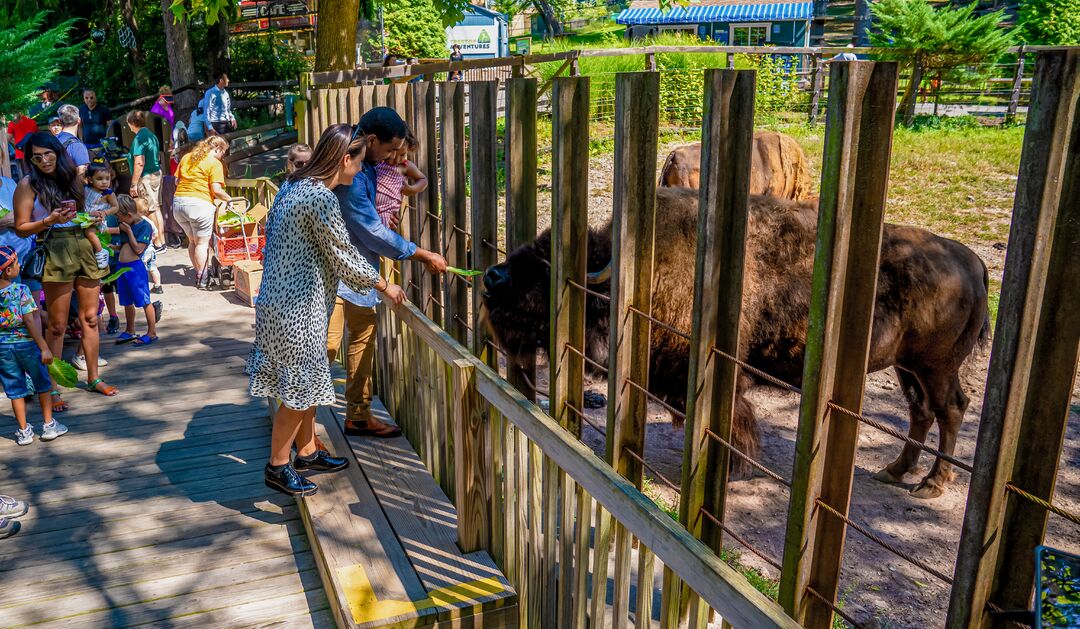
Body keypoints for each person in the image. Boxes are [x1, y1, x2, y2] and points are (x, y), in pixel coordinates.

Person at [246, 123, 405, 497]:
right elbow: (345, 255)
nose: (359, 171)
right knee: (298, 392)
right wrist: (385, 285)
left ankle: (307, 450)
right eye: (358, 163)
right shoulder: (321, 198)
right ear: (345, 159)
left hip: (278, 303)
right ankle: (278, 466)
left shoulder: (294, 186)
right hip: (297, 309)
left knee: (301, 386)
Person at [330, 107, 446, 438]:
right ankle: (302, 431)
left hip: (363, 271)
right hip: (336, 275)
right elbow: (371, 231)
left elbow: (376, 219)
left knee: (362, 344)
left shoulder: (370, 166)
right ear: (371, 140)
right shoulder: (350, 170)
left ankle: (358, 415)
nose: (394, 157)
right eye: (391, 149)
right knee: (324, 349)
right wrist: (421, 254)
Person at [13, 132, 117, 404]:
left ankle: (93, 378)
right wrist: (48, 220)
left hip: (83, 243)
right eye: (37, 156)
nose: (44, 160)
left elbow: (84, 215)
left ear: (57, 152)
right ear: (31, 159)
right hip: (54, 247)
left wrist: (93, 216)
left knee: (91, 318)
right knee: (58, 325)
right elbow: (22, 228)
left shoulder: (73, 178)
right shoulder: (27, 184)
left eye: (48, 154)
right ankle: (53, 386)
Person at [0, 246, 64, 446]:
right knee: (42, 384)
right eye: (16, 263)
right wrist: (44, 347)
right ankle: (48, 425)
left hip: (3, 349)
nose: (19, 265)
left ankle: (24, 430)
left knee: (15, 389)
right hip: (27, 345)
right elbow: (29, 321)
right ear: (8, 270)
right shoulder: (21, 290)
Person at [173, 135, 231, 288]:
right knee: (202, 244)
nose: (222, 156)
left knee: (193, 241)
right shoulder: (214, 163)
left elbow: (177, 181)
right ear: (217, 148)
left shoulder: (187, 157)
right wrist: (230, 199)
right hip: (199, 205)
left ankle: (199, 273)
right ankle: (203, 279)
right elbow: (216, 190)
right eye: (223, 152)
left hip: (179, 204)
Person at [111, 195, 158, 346]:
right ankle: (130, 329)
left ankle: (152, 332)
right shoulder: (126, 224)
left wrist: (129, 231)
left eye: (120, 217)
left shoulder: (144, 226)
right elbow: (124, 245)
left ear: (129, 215)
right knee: (126, 300)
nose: (119, 221)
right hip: (121, 268)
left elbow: (138, 249)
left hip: (135, 268)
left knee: (144, 300)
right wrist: (112, 248)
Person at [125, 110, 166, 251]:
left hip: (146, 177)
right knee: (156, 208)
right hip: (155, 173)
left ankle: (158, 243)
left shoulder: (139, 138)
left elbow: (139, 162)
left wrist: (134, 183)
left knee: (150, 209)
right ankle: (162, 241)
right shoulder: (151, 135)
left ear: (132, 123)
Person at [374, 129, 427, 230]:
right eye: (391, 153)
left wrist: (412, 189)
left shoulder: (405, 166)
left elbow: (423, 179)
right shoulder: (377, 161)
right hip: (370, 210)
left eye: (402, 155)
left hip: (387, 214)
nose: (396, 159)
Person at [83, 162, 117, 270]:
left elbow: (116, 207)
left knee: (90, 232)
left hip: (97, 220)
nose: (104, 182)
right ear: (90, 179)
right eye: (100, 179)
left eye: (107, 178)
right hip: (85, 217)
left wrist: (105, 213)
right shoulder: (85, 190)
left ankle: (101, 252)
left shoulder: (108, 193)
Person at [55, 105, 91, 178]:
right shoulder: (77, 145)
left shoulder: (53, 140)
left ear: (59, 121)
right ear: (79, 120)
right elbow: (82, 174)